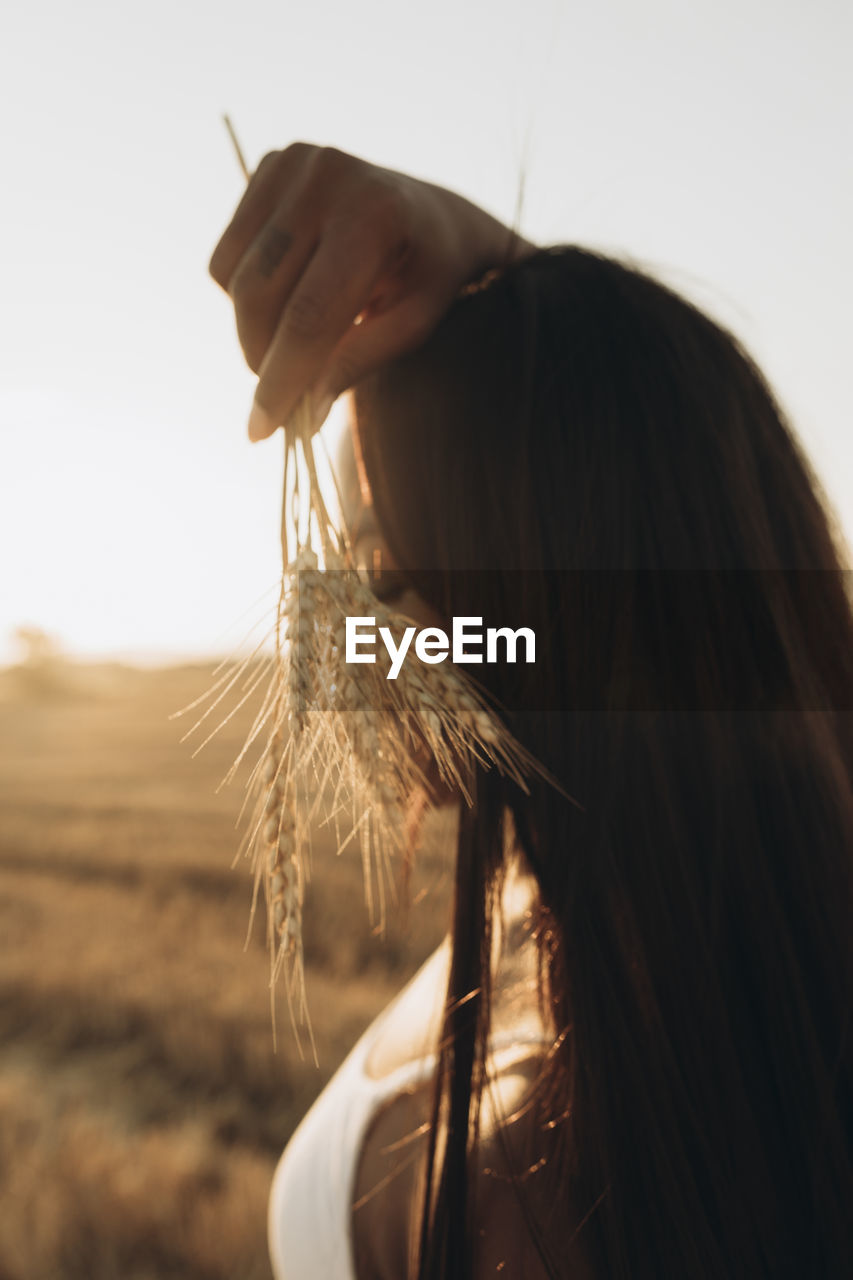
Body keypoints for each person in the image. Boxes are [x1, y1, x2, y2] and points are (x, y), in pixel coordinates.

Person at [209, 145, 853, 1279]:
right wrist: (525, 306)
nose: (355, 628)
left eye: (374, 566)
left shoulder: (463, 1176)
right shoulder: (787, 907)